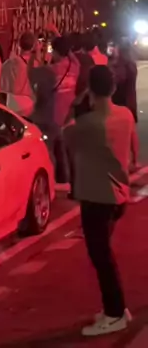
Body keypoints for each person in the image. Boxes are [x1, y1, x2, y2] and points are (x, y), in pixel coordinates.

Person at [65, 66, 135, 337]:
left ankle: (115, 313)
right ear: (114, 88)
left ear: (91, 90)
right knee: (104, 255)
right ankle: (115, 309)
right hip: (118, 196)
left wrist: (79, 101)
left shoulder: (87, 125)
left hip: (96, 198)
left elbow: (64, 134)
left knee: (102, 258)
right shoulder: (125, 115)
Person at [29, 35, 79, 183]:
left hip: (49, 118)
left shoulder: (50, 70)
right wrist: (57, 35)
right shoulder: (74, 66)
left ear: (55, 51)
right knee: (63, 151)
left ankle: (51, 182)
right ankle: (66, 180)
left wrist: (34, 53)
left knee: (48, 152)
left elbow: (30, 74)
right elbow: (70, 54)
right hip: (67, 117)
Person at [111, 40, 139, 169]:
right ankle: (135, 159)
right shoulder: (132, 65)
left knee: (122, 133)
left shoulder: (121, 66)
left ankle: (124, 160)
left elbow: (117, 80)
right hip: (131, 100)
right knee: (132, 133)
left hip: (121, 100)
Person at [0, 31, 35, 118]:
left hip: (15, 109)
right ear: (33, 46)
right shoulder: (38, 65)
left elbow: (3, 89)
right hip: (31, 110)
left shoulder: (10, 64)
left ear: (19, 44)